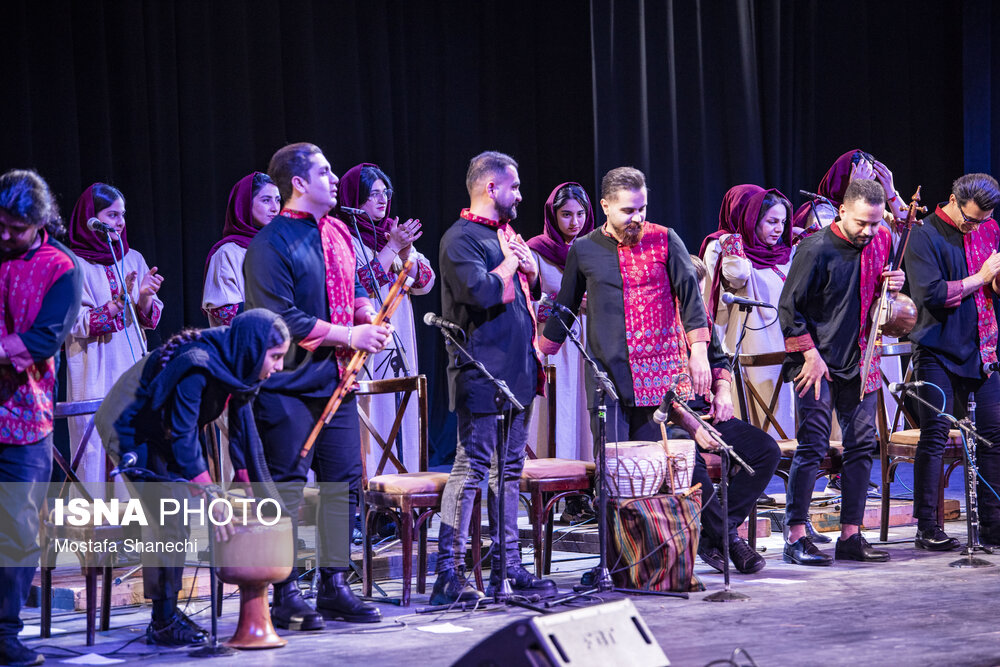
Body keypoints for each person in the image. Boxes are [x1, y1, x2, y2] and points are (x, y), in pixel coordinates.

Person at [540, 167, 780, 575]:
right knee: (628, 476)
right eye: (628, 210)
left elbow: (691, 300)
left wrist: (701, 355)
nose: (637, 217)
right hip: (612, 387)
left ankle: (718, 538)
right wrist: (540, 352)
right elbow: (565, 307)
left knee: (734, 456)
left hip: (670, 389)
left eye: (643, 208)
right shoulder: (585, 249)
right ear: (605, 207)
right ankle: (624, 563)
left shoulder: (665, 240)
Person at [245, 142, 391, 628]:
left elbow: (355, 290)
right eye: (324, 172)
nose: (334, 179)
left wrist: (366, 312)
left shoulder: (338, 232)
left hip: (336, 381)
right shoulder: (270, 244)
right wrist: (350, 334)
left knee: (343, 485)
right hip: (286, 385)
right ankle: (284, 592)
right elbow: (282, 317)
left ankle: (333, 584)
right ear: (299, 184)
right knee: (286, 489)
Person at [95, 309, 289, 646]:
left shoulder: (240, 364)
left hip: (165, 429)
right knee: (168, 514)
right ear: (257, 348)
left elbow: (245, 435)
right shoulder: (197, 365)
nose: (280, 366)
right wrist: (211, 494)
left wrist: (257, 493)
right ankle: (163, 620)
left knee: (177, 511)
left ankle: (168, 611)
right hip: (131, 427)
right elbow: (184, 436)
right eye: (276, 357)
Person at [431, 151, 554, 605]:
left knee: (511, 472)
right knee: (472, 468)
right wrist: (508, 263)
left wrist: (531, 266)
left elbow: (535, 290)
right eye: (515, 186)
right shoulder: (459, 239)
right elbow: (482, 292)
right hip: (479, 373)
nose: (521, 194)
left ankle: (509, 566)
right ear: (491, 188)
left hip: (518, 372)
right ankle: (449, 572)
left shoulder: (506, 236)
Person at [778, 178, 905, 565]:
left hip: (861, 358)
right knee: (813, 446)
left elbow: (882, 292)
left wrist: (894, 284)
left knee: (863, 446)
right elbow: (789, 309)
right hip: (815, 362)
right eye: (861, 223)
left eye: (874, 223)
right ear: (842, 211)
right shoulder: (815, 248)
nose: (868, 231)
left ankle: (851, 535)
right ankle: (795, 535)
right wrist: (810, 355)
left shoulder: (881, 239)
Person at [0, 169, 82, 667]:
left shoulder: (60, 267)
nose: (5, 235)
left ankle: (5, 633)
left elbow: (43, 340)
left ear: (40, 222)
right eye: (0, 224)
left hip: (24, 422)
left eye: (16, 228)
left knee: (15, 529)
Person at [904, 173, 1000, 550]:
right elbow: (933, 294)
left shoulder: (989, 229)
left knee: (994, 436)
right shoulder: (923, 235)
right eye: (970, 219)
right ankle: (928, 527)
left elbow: (992, 285)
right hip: (936, 350)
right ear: (953, 200)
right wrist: (981, 276)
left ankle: (993, 525)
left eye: (982, 220)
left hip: (982, 349)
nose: (975, 226)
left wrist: (994, 281)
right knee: (936, 436)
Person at [336, 163, 435, 477]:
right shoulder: (345, 239)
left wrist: (405, 252)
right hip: (368, 331)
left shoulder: (391, 234)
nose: (381, 200)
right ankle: (373, 486)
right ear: (355, 198)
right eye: (372, 194)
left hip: (400, 328)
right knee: (374, 406)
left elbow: (425, 283)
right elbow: (361, 283)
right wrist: (393, 246)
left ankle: (403, 485)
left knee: (401, 403)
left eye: (384, 193)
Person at [65, 183, 164, 491]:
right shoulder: (72, 264)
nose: (120, 222)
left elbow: (146, 319)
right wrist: (113, 305)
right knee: (94, 452)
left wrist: (144, 297)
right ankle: (95, 534)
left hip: (130, 368)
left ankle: (132, 531)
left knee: (132, 452)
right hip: (94, 366)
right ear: (90, 219)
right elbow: (76, 323)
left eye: (122, 215)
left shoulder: (133, 258)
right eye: (111, 215)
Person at [700, 185, 795, 437]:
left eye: (783, 222)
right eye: (772, 221)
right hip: (750, 341)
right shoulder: (727, 248)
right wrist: (730, 242)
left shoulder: (784, 252)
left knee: (784, 416)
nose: (779, 229)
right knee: (755, 415)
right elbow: (736, 276)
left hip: (782, 341)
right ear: (752, 218)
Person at [526, 182, 596, 521]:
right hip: (554, 346)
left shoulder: (594, 248)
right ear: (553, 215)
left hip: (588, 344)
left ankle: (582, 493)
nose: (574, 222)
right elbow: (527, 302)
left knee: (586, 417)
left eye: (581, 214)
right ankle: (555, 488)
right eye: (566, 214)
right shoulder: (536, 250)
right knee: (559, 414)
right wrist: (563, 305)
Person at [202, 172, 281, 327]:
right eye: (266, 200)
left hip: (279, 346)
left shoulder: (277, 249)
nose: (275, 208)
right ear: (245, 204)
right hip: (241, 347)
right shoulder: (227, 253)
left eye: (278, 200)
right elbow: (225, 313)